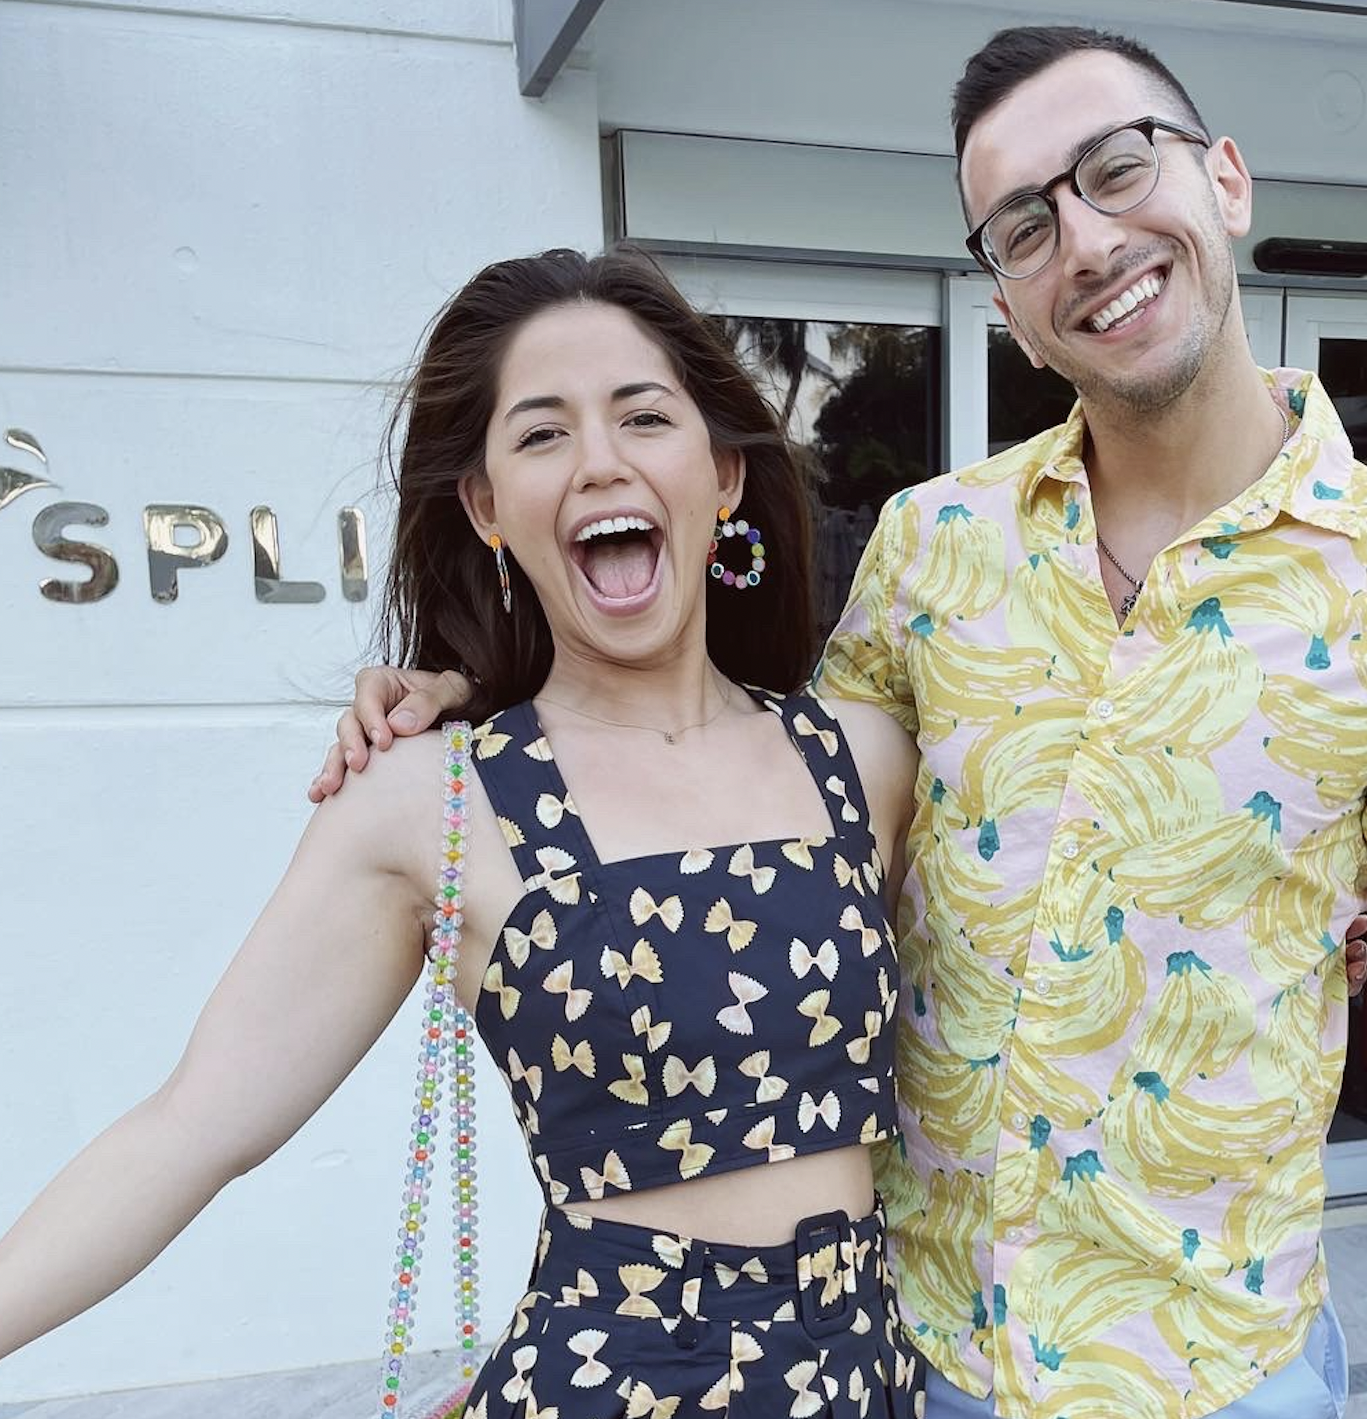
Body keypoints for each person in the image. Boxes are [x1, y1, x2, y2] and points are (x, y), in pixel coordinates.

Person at [319, 25, 1367, 1419]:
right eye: (1022, 225)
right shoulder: (927, 550)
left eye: (1117, 169)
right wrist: (495, 686)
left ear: (1226, 183)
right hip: (908, 1354)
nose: (1083, 239)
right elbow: (739, 784)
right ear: (1009, 300)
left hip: (1213, 1370)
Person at [0, 246, 933, 1417]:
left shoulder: (865, 759)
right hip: (612, 1387)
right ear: (486, 507)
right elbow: (188, 1128)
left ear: (724, 473)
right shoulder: (435, 801)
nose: (599, 462)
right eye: (541, 435)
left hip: (868, 1380)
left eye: (643, 417)